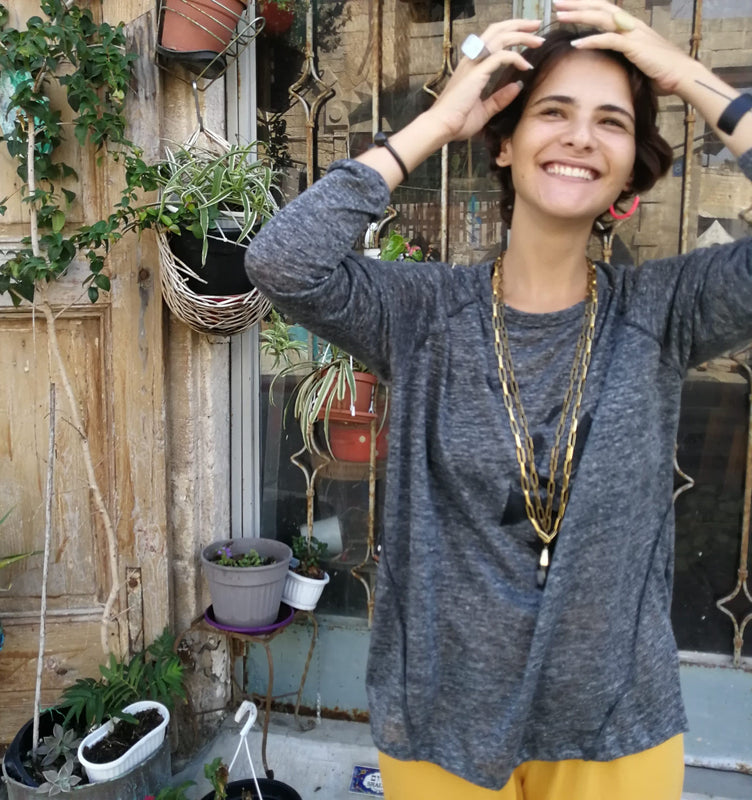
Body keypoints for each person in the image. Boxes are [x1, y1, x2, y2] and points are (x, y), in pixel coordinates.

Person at [246, 0, 752, 797]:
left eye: (612, 122)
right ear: (506, 143)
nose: (580, 136)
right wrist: (435, 122)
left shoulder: (664, 311)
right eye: (554, 112)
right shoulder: (422, 314)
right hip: (439, 724)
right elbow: (282, 262)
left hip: (613, 729)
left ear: (631, 165)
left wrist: (685, 75)